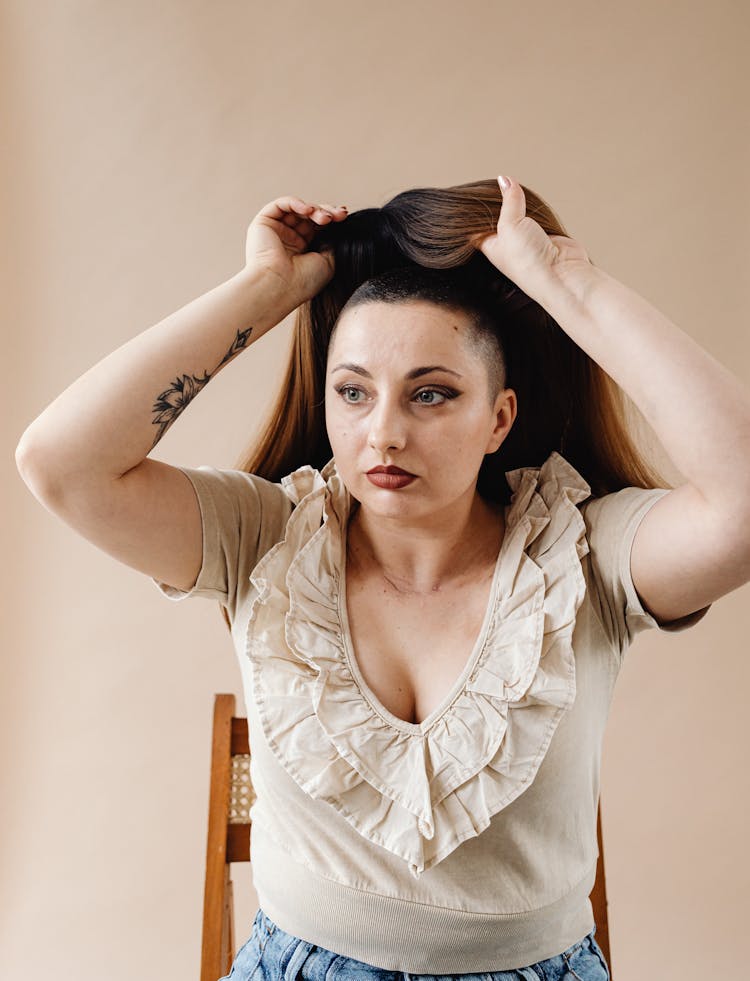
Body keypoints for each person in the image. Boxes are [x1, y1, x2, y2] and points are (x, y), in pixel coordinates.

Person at [15, 174, 750, 981]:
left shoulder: (582, 555)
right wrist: (264, 291)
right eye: (353, 391)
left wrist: (565, 282)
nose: (384, 432)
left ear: (500, 416)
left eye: (431, 394)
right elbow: (60, 463)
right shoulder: (263, 537)